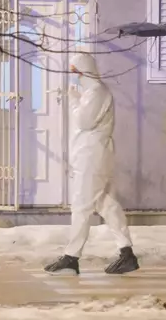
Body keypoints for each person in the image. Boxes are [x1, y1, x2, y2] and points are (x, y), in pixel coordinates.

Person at [44, 53, 139, 276]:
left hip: (92, 156)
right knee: (106, 204)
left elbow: (84, 122)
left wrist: (73, 99)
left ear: (82, 70)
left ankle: (71, 257)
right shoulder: (93, 92)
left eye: (74, 70)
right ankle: (126, 253)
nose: (73, 75)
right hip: (91, 154)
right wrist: (77, 97)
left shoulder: (97, 91)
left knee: (81, 206)